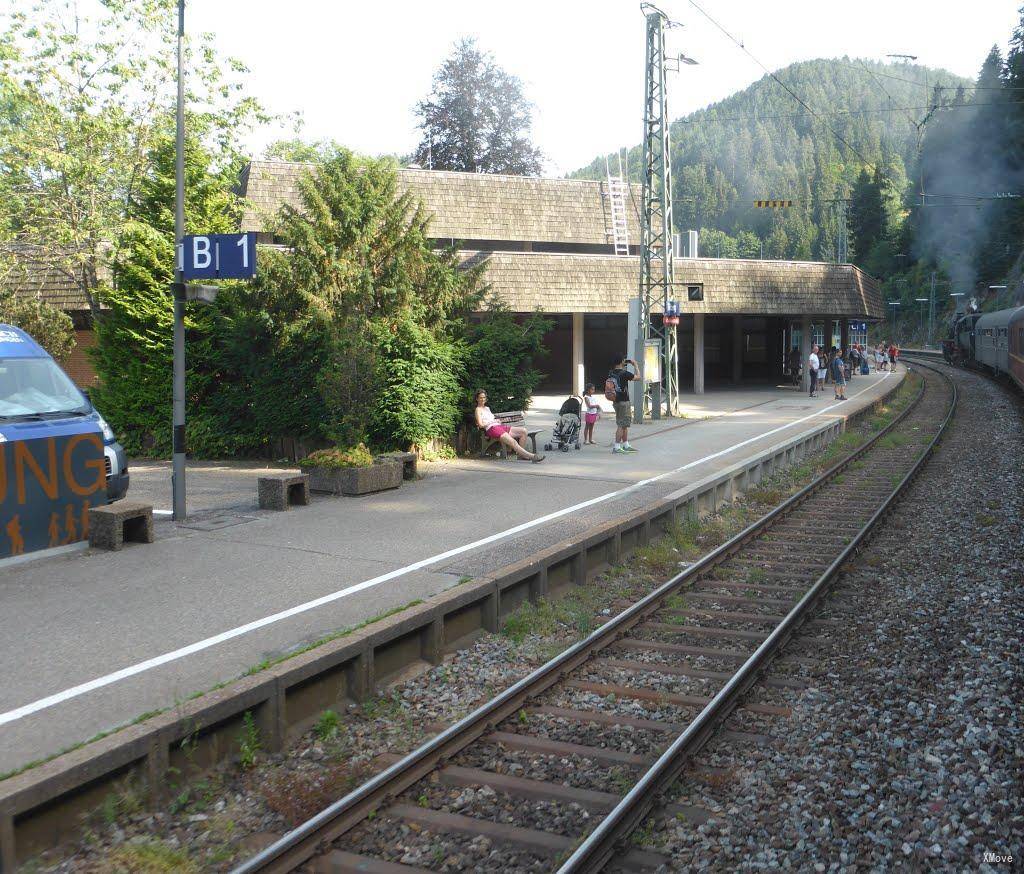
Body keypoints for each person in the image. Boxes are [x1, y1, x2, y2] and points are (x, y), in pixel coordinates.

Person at [474, 390, 544, 462]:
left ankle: (521, 455)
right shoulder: (478, 410)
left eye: (484, 397)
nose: (482, 399)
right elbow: (480, 425)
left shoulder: (487, 408)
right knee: (513, 442)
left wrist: (496, 421)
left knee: (524, 431)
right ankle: (532, 456)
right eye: (480, 398)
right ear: (477, 399)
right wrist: (492, 422)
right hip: (492, 429)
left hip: (498, 426)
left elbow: (490, 419)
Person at [607, 355, 638, 453]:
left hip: (616, 401)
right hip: (624, 402)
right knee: (621, 424)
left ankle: (625, 444)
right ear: (621, 362)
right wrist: (636, 365)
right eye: (624, 360)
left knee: (624, 424)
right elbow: (638, 377)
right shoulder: (624, 373)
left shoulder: (611, 373)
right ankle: (616, 447)